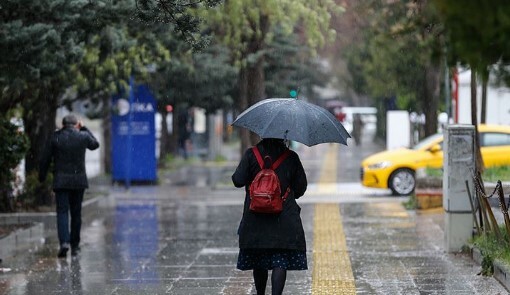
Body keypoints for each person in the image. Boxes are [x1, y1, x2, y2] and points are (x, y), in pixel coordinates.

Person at [232, 138, 308, 295]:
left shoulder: (251, 155)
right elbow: (301, 187)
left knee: (258, 258)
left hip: (255, 219)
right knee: (280, 260)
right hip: (283, 218)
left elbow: (237, 180)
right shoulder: (291, 157)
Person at [39, 114, 100, 258]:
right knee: (76, 213)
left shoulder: (56, 137)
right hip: (79, 182)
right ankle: (75, 245)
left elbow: (45, 159)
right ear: (76, 124)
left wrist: (42, 176)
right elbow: (95, 144)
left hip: (61, 182)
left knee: (62, 212)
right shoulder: (83, 136)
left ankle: (64, 243)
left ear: (62, 124)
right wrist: (84, 127)